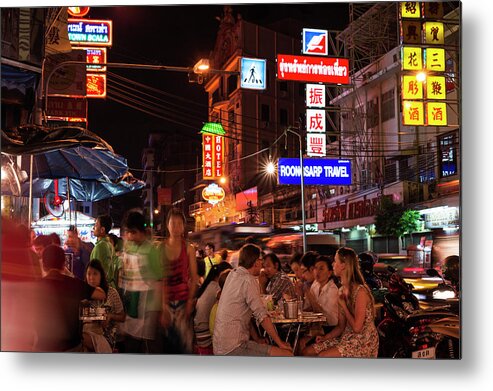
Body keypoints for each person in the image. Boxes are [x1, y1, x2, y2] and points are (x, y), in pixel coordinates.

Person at [212, 244, 293, 357]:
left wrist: (257, 338)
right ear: (255, 262)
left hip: (219, 346)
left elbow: (244, 314)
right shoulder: (248, 280)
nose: (262, 264)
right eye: (261, 260)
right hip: (234, 347)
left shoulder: (232, 274)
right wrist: (281, 343)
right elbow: (262, 316)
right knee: (287, 354)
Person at [302, 247, 379, 358]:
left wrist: (344, 306)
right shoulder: (342, 290)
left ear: (343, 265)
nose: (333, 264)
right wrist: (326, 337)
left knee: (323, 356)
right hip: (346, 337)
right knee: (307, 351)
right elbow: (340, 327)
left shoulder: (360, 291)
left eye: (335, 261)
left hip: (363, 341)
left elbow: (357, 328)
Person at [33, 244, 106, 352]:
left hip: (43, 348)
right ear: (64, 265)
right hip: (72, 348)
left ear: (43, 265)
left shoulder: (35, 287)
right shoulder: (75, 284)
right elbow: (101, 294)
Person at [119, 211, 164, 353]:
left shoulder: (151, 250)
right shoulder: (129, 247)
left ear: (142, 232)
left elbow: (159, 281)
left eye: (133, 232)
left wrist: (159, 311)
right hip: (132, 306)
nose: (130, 236)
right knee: (131, 346)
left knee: (147, 348)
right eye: (128, 232)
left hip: (148, 309)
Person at [161, 208, 199, 354]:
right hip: (167, 304)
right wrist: (163, 306)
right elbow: (160, 280)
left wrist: (190, 302)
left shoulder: (189, 249)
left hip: (183, 302)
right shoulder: (161, 248)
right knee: (168, 345)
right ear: (167, 225)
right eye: (173, 223)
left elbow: (194, 277)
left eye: (179, 223)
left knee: (184, 346)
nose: (176, 227)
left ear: (183, 226)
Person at [82, 259, 126, 353]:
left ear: (101, 275)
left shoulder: (111, 292)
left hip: (107, 335)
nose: (91, 278)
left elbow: (122, 317)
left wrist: (110, 316)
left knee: (79, 340)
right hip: (87, 332)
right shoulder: (83, 293)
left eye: (95, 274)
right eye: (89, 274)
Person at [193, 262, 233, 354]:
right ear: (221, 275)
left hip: (198, 330)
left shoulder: (208, 285)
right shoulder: (216, 288)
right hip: (205, 333)